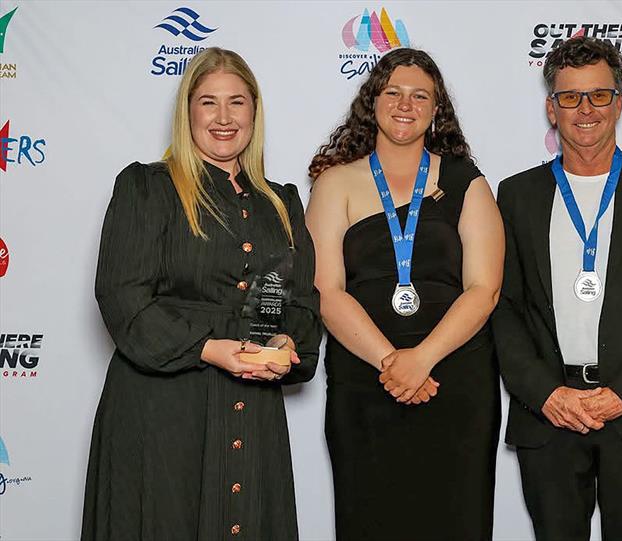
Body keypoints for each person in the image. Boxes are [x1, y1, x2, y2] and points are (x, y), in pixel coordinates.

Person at [81, 47, 321, 541]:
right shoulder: (147, 188)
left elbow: (295, 303)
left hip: (251, 408)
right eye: (209, 102)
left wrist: (284, 345)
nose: (224, 117)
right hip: (163, 408)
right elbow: (123, 298)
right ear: (187, 112)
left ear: (254, 111)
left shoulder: (281, 203)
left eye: (237, 102)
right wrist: (209, 349)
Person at [492, 36, 622, 541]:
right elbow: (504, 308)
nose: (585, 109)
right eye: (570, 97)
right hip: (551, 413)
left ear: (618, 103)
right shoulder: (516, 194)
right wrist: (546, 393)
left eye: (599, 95)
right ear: (551, 108)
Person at [305, 48, 503, 540]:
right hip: (365, 381)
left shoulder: (466, 182)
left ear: (437, 109)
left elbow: (485, 288)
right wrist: (393, 362)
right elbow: (326, 290)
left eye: (420, 96)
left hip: (455, 380)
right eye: (393, 92)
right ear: (372, 101)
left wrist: (423, 359)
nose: (405, 104)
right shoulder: (334, 183)